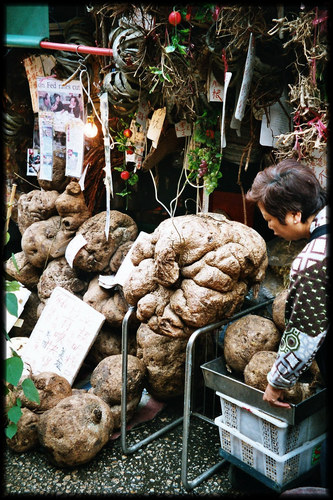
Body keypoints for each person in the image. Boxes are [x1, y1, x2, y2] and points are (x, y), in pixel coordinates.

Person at [246, 159, 329, 487]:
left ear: (295, 214)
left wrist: (276, 382)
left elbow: (304, 335)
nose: (269, 228)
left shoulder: (313, 262)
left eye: (269, 220)